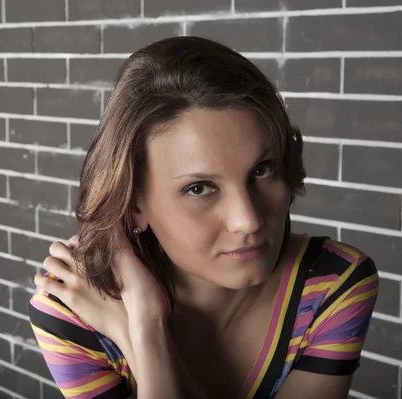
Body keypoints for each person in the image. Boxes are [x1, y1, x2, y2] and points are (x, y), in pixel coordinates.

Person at [27, 36, 379, 399]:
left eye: (262, 170)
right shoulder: (74, 307)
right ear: (134, 205)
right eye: (198, 188)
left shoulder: (330, 285)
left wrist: (146, 335)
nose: (248, 220)